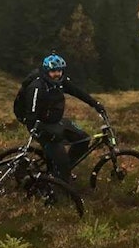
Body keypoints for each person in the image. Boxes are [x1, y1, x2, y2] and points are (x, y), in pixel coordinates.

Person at [15, 53, 107, 181]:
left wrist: (96, 104)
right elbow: (31, 116)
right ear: (46, 71)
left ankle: (61, 170)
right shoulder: (37, 87)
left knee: (83, 139)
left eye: (59, 70)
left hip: (56, 121)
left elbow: (78, 92)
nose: (57, 74)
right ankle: (56, 180)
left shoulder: (60, 81)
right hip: (39, 125)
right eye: (53, 71)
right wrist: (45, 134)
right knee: (61, 160)